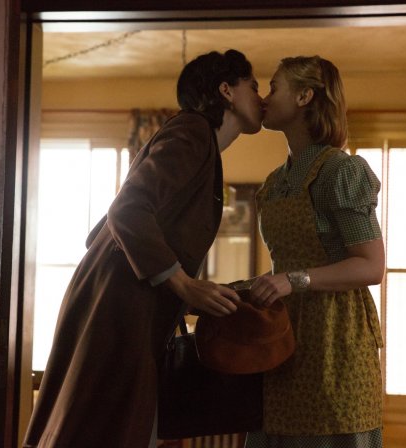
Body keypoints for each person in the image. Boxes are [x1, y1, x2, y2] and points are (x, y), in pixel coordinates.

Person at [23, 49, 263, 448]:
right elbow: (127, 210)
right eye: (253, 87)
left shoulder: (200, 142)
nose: (262, 98)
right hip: (120, 303)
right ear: (227, 91)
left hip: (126, 300)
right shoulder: (193, 131)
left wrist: (191, 295)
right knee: (104, 429)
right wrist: (183, 284)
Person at [245, 55, 385, 447]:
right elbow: (288, 263)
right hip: (283, 339)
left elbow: (371, 266)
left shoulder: (340, 172)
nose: (264, 97)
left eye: (274, 87)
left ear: (304, 96)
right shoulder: (275, 182)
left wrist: (293, 280)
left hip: (335, 340)